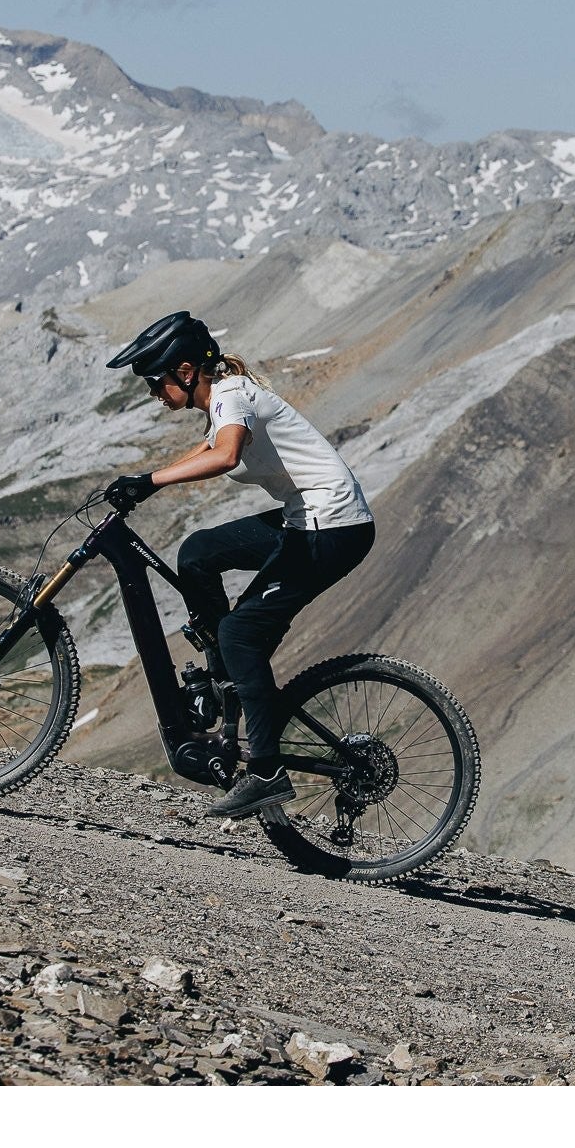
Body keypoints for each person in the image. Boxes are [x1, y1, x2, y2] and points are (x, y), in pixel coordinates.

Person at [106, 312, 375, 819]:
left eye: (156, 383)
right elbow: (210, 444)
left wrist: (152, 481)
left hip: (333, 529)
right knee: (198, 553)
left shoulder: (231, 395)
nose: (154, 394)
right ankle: (226, 678)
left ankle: (267, 773)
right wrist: (146, 481)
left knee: (239, 634)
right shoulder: (224, 397)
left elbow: (226, 455)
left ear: (186, 372)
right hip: (307, 517)